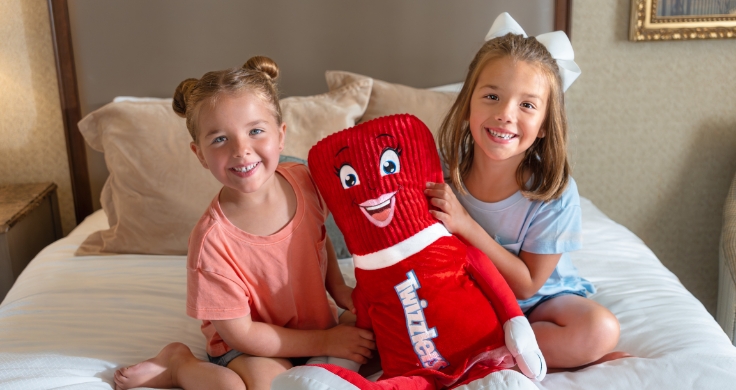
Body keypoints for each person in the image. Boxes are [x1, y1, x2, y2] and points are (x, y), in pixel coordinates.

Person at [113, 56, 375, 390]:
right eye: (220, 139)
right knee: (251, 387)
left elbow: (318, 243)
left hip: (315, 323)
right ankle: (179, 364)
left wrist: (339, 291)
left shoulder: (306, 182)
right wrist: (325, 345)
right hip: (250, 342)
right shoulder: (212, 241)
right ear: (199, 155)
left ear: (280, 136)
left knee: (377, 333)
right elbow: (243, 333)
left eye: (255, 131)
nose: (241, 149)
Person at [425, 32, 629, 370]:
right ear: (466, 106)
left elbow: (527, 285)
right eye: (492, 96)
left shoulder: (555, 192)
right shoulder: (441, 172)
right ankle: (511, 353)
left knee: (599, 328)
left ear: (545, 124)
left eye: (527, 105)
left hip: (541, 302)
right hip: (472, 297)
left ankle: (493, 355)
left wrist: (464, 223)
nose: (506, 114)